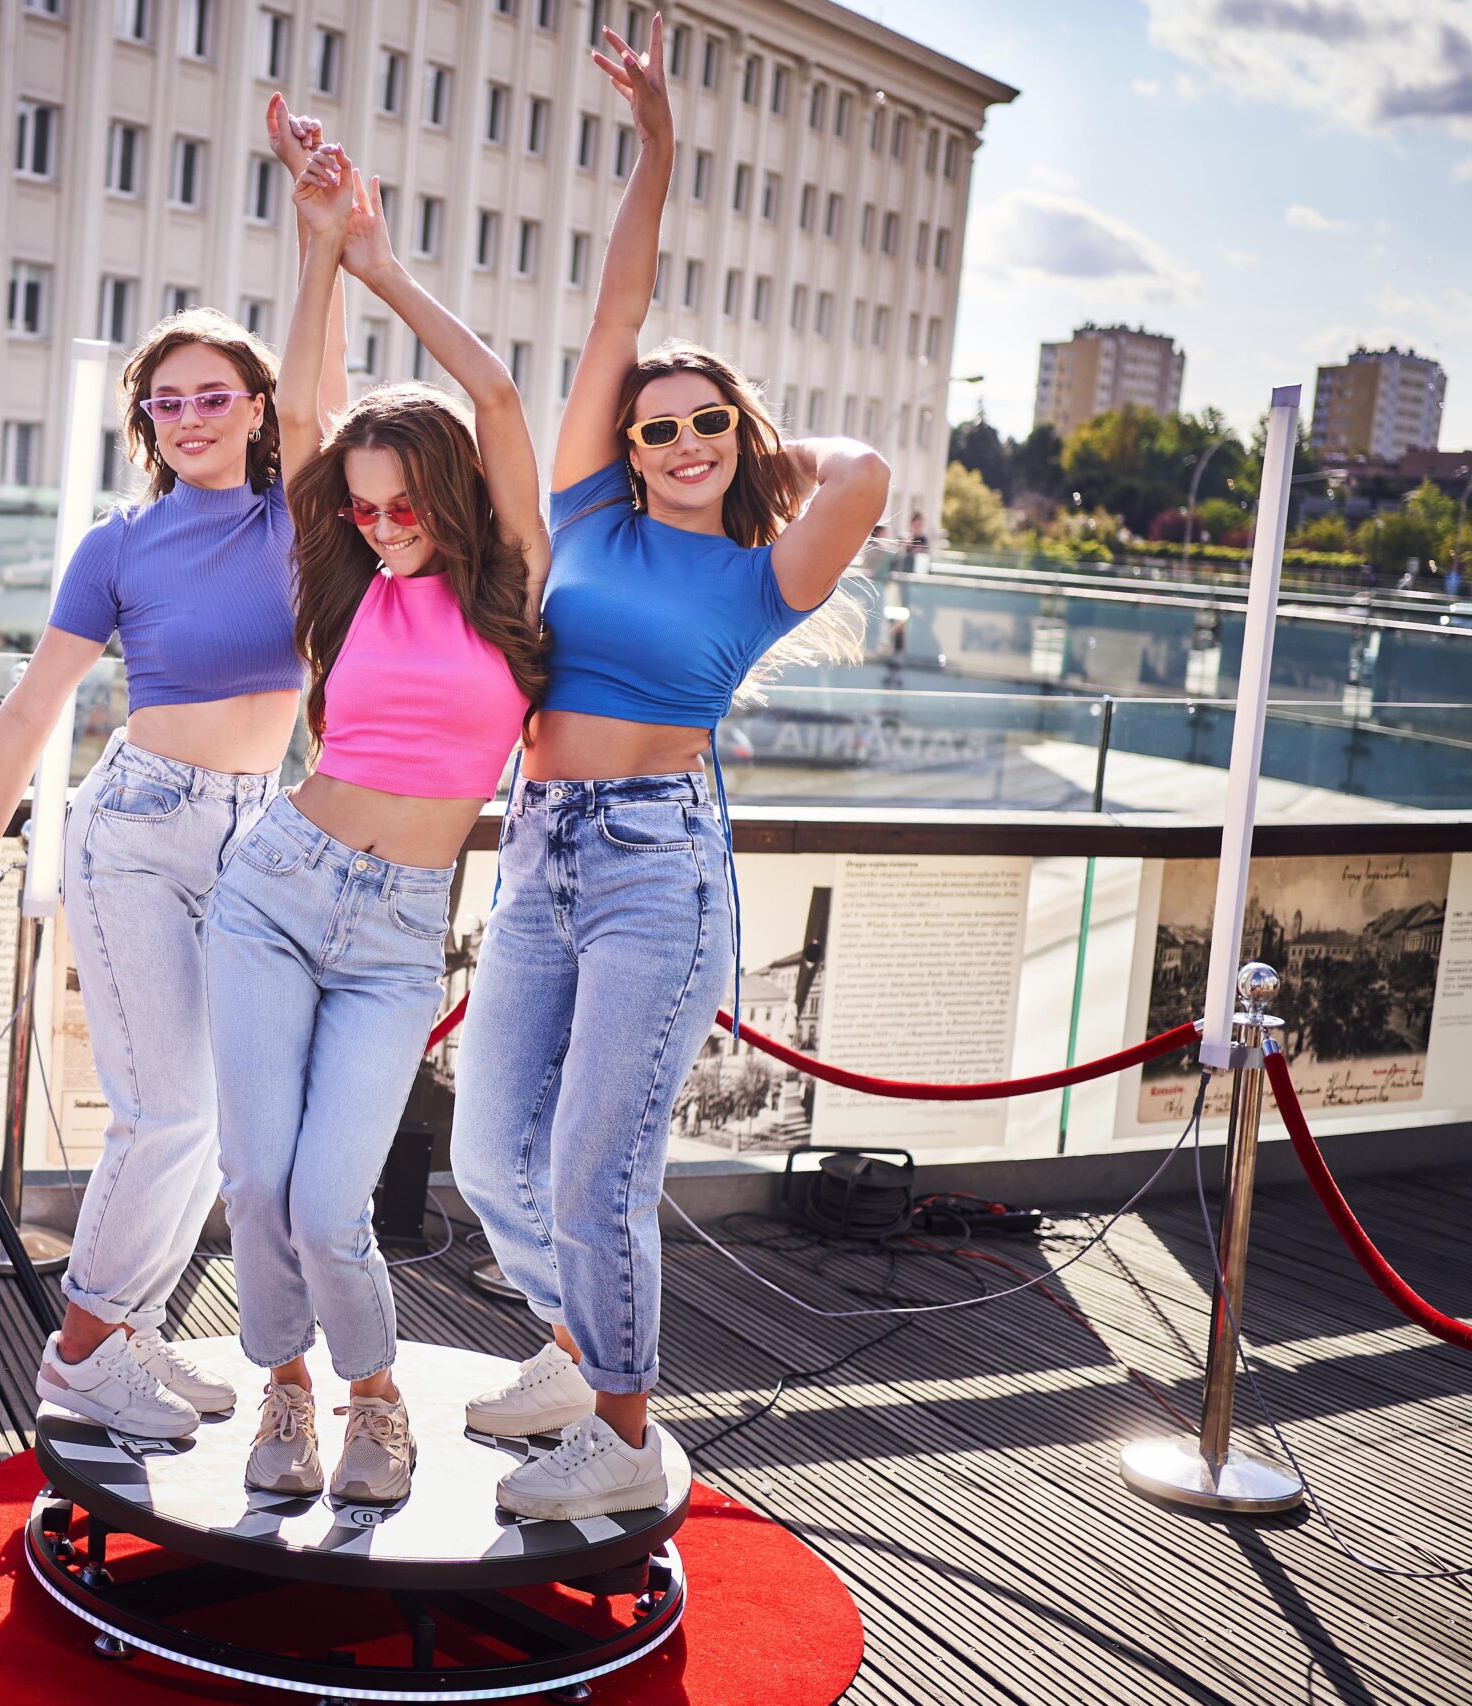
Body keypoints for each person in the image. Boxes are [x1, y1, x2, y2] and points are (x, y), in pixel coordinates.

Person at [451, 12, 885, 1522]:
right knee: (488, 1152)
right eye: (660, 427)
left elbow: (867, 471)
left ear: (733, 436)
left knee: (597, 1173)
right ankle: (581, 1348)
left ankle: (624, 1430)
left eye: (706, 424)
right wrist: (656, 147)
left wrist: (761, 449)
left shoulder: (768, 575)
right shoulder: (586, 508)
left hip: (659, 862)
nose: (682, 439)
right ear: (624, 448)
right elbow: (615, 312)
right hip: (538, 848)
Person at [0, 97, 349, 1444]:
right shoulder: (117, 544)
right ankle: (86, 1349)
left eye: (216, 395)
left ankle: (134, 1325)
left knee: (211, 1118)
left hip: (258, 834)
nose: (191, 415)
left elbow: (323, 389)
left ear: (256, 408)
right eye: (168, 401)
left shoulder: (299, 515)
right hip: (139, 828)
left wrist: (321, 235)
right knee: (163, 1108)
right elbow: (31, 709)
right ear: (146, 423)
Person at [206, 153, 545, 1503]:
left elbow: (499, 396)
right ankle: (285, 1388)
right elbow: (301, 413)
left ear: (451, 496)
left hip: (402, 927)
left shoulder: (511, 580)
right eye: (363, 505)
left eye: (407, 505)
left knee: (326, 1196)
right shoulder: (346, 585)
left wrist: (379, 266)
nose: (383, 524)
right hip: (276, 889)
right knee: (256, 1179)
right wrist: (313, 251)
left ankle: (376, 1396)